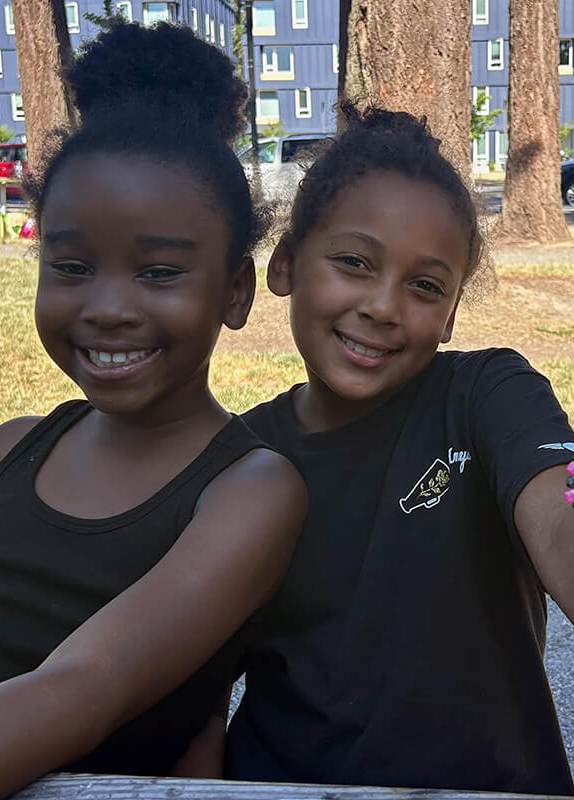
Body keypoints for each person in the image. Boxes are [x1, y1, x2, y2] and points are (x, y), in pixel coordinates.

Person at [0, 21, 305, 800]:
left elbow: (92, 685)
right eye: (73, 266)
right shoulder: (10, 451)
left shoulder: (251, 490)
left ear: (236, 293)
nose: (108, 309)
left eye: (158, 272)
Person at [222, 103, 574, 795]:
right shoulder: (235, 460)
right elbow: (190, 688)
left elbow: (561, 498)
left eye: (424, 286)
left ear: (449, 316)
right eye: (354, 262)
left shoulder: (487, 394)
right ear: (287, 264)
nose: (384, 306)